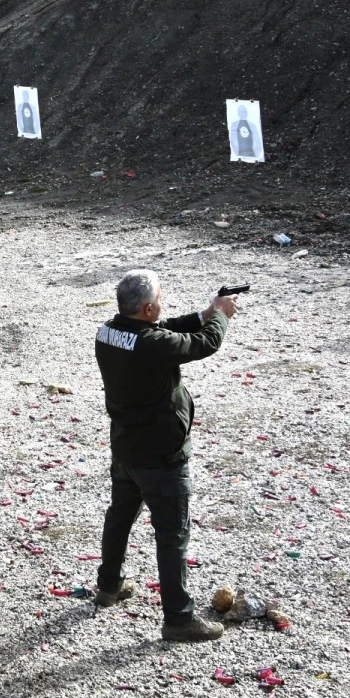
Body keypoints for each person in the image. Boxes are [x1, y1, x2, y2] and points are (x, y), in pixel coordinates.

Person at [93, 269, 241, 643]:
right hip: (161, 455)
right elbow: (203, 345)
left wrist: (204, 313)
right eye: (159, 299)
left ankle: (108, 587)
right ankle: (179, 617)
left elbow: (167, 331)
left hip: (126, 448)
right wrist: (221, 315)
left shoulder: (109, 331)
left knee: (121, 515)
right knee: (173, 534)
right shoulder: (153, 343)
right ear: (146, 308)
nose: (162, 304)